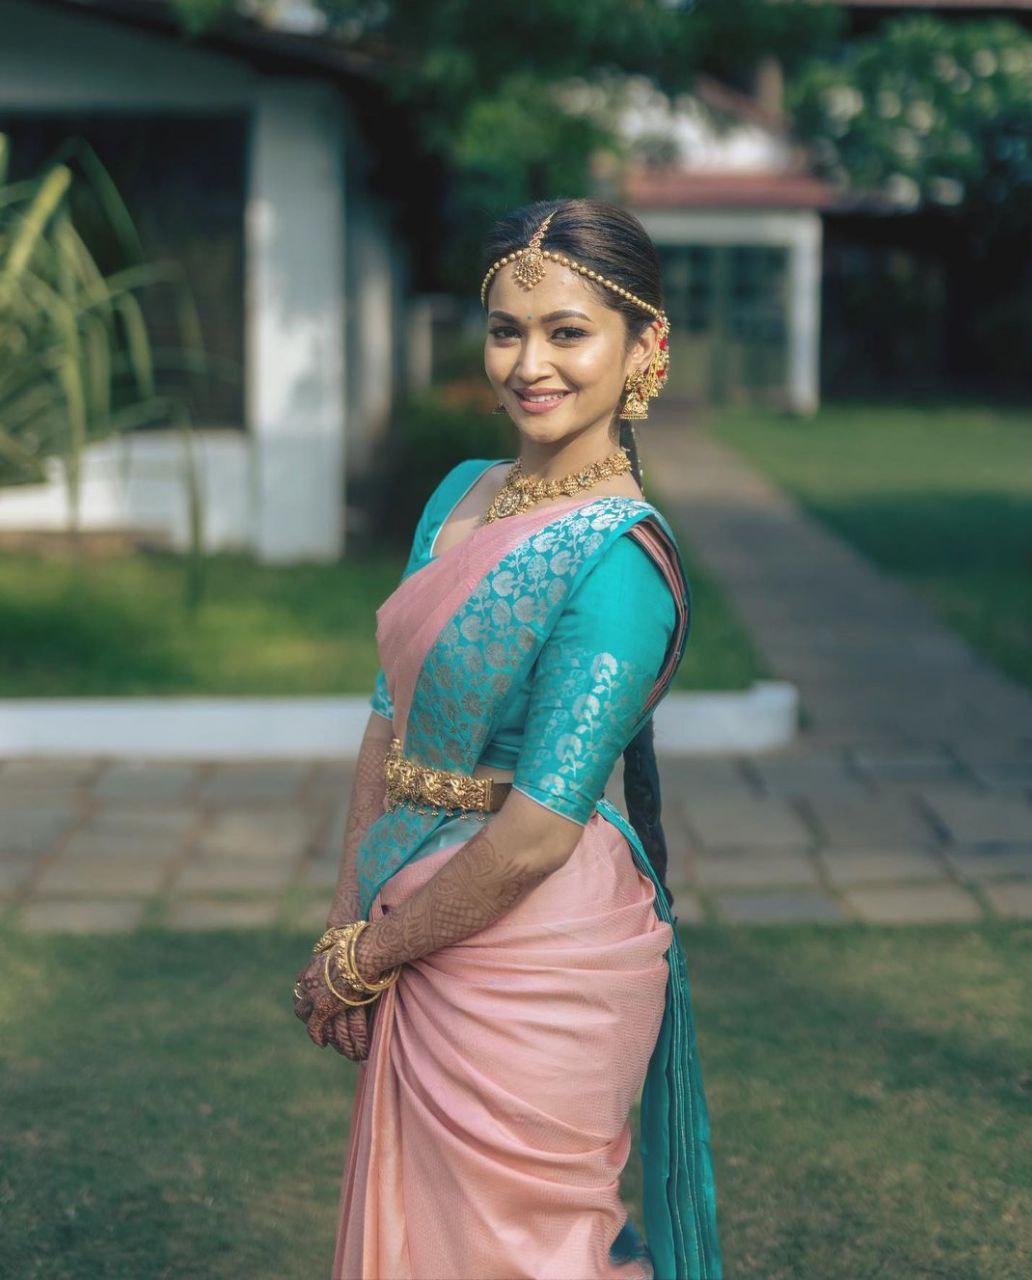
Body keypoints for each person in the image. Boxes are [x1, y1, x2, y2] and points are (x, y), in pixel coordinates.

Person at [293, 197, 723, 1280]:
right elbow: (386, 714)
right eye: (504, 329)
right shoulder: (459, 495)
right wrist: (349, 912)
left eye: (567, 331)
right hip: (410, 904)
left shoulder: (619, 564)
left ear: (645, 348)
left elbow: (534, 834)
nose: (529, 363)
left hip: (536, 953)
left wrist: (365, 958)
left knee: (523, 1250)